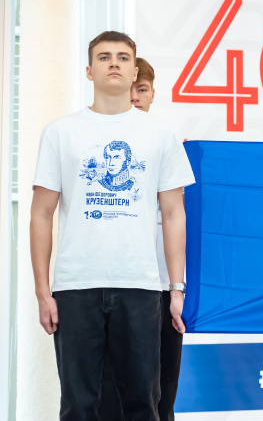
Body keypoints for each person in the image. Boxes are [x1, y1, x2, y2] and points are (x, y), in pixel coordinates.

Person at [30, 31, 195, 420]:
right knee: (78, 406)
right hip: (75, 287)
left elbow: (174, 214)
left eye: (123, 57)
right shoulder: (61, 132)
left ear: (134, 70)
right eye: (104, 57)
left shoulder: (160, 134)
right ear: (89, 71)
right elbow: (41, 214)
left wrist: (176, 289)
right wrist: (42, 291)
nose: (114, 63)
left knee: (142, 405)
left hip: (140, 287)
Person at [99, 57, 184, 421]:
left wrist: (178, 288)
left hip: (163, 285)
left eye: (143, 89)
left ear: (152, 94)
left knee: (162, 393)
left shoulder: (169, 145)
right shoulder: (105, 149)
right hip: (118, 285)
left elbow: (180, 217)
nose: (135, 97)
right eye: (131, 89)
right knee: (112, 392)